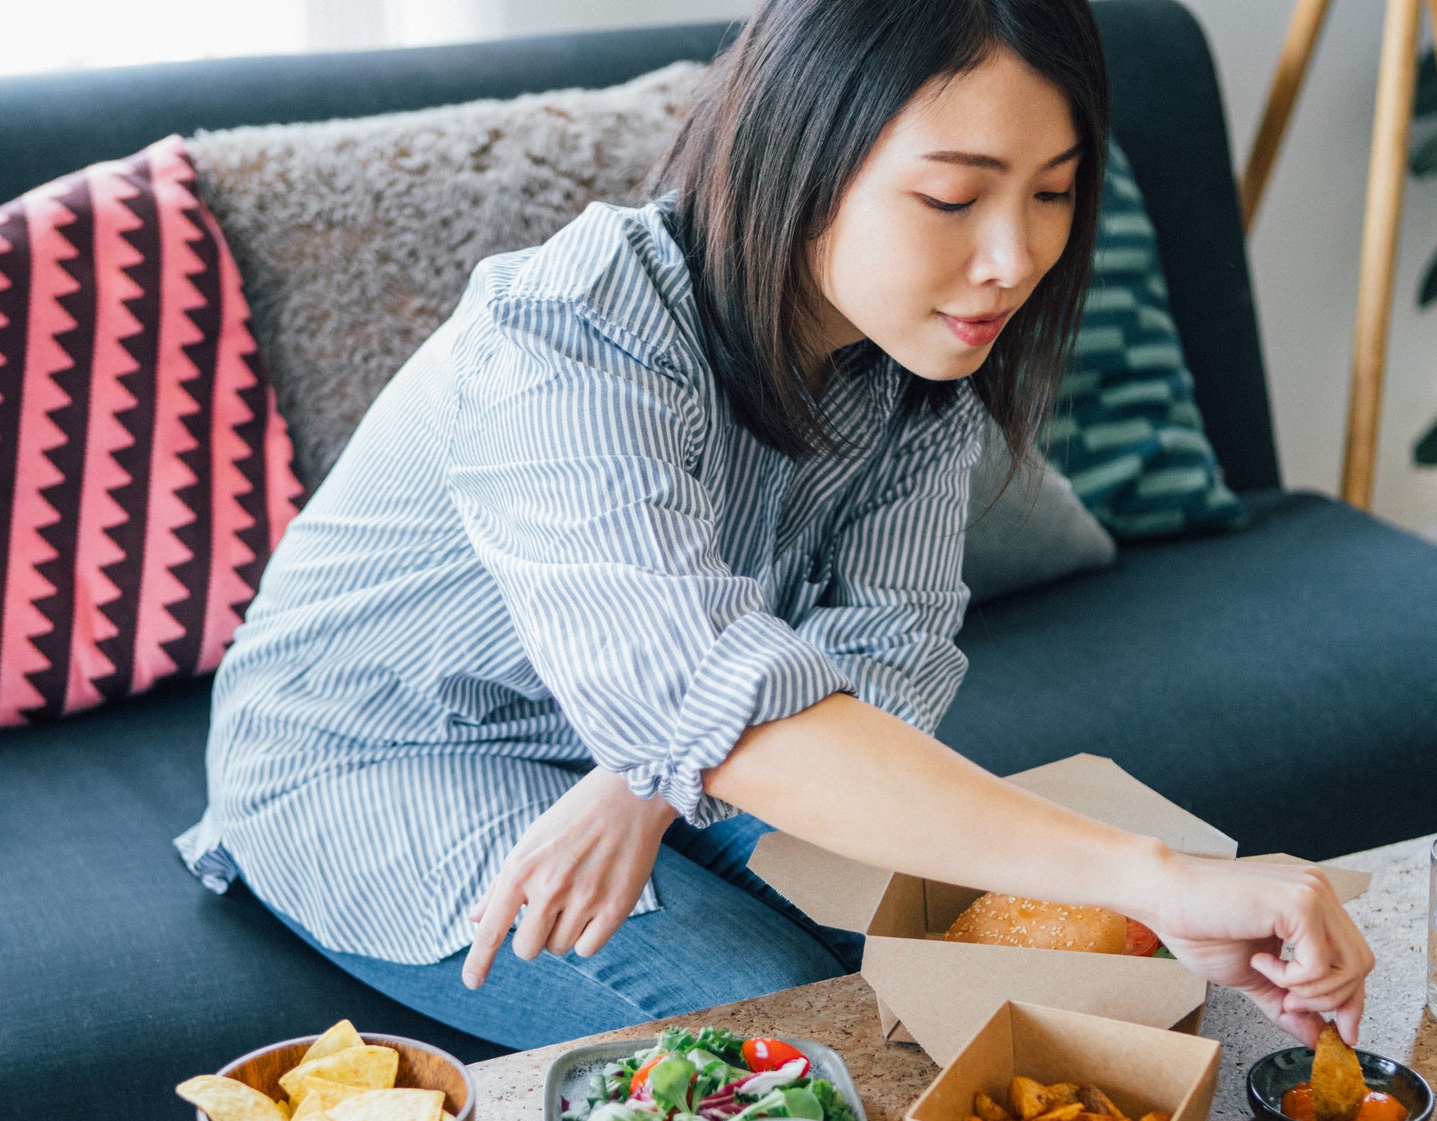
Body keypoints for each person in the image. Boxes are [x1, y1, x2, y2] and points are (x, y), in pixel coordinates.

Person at [177, 0, 1374, 1052]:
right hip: (375, 754)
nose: (1014, 259)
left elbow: (882, 667)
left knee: (1018, 951)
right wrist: (1162, 878)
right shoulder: (567, 339)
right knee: (800, 1027)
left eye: (1055, 192)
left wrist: (646, 774)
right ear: (801, 160)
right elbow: (712, 695)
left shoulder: (917, 375)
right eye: (954, 196)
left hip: (628, 737)